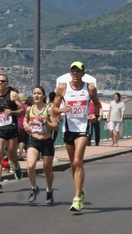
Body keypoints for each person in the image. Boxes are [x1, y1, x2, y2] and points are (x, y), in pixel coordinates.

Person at [52, 61, 100, 212]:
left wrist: (95, 115)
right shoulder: (63, 88)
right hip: (68, 128)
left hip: (83, 127)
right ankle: (81, 190)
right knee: (73, 164)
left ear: (83, 73)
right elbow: (53, 108)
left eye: (78, 71)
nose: (75, 74)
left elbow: (97, 104)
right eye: (73, 71)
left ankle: (77, 198)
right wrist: (61, 110)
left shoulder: (89, 88)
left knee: (78, 161)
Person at [23, 86, 58, 203]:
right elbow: (25, 119)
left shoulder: (49, 109)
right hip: (33, 140)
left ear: (43, 96)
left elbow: (55, 126)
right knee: (30, 165)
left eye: (39, 93)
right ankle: (34, 188)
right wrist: (26, 125)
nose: (36, 96)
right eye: (35, 93)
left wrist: (45, 121)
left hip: (47, 141)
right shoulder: (29, 109)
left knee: (47, 169)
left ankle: (49, 191)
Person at [0, 74, 24, 188]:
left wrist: (12, 112)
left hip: (11, 128)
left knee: (12, 156)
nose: (0, 83)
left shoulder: (12, 95)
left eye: (3, 81)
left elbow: (22, 111)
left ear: (7, 82)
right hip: (0, 128)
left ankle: (16, 165)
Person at [17, 93, 29, 161]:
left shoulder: (18, 106)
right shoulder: (26, 106)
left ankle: (17, 154)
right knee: (22, 141)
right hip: (24, 125)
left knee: (17, 141)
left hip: (18, 124)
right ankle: (20, 155)